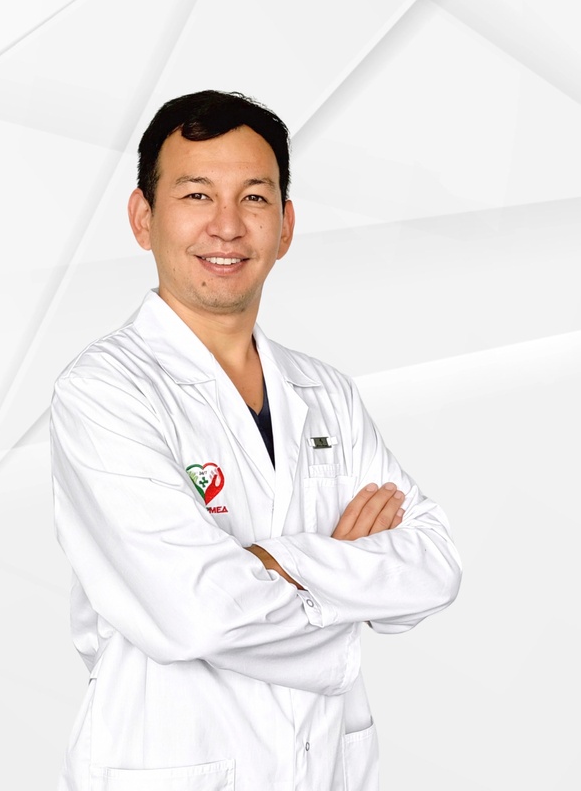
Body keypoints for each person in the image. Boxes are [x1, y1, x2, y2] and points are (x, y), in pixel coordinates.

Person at [50, 90, 462, 791]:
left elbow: (435, 567)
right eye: (197, 195)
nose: (227, 226)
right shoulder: (104, 392)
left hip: (324, 765)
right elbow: (198, 613)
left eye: (254, 198)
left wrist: (275, 561)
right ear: (143, 218)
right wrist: (350, 582)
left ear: (286, 225)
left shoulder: (325, 393)